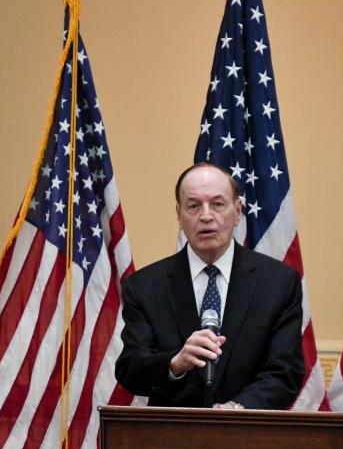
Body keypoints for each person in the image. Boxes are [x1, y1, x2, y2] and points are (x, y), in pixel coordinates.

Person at [115, 163, 304, 409]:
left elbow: (284, 371)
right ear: (179, 215)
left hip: (250, 439)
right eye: (194, 206)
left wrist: (237, 408)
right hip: (170, 439)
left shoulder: (279, 282)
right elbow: (130, 368)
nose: (206, 216)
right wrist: (174, 363)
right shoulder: (144, 286)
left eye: (217, 204)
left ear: (237, 212)